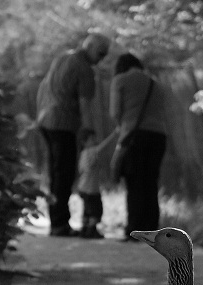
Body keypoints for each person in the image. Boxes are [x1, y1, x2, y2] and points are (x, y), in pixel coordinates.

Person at [36, 33, 110, 237]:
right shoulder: (84, 69)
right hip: (63, 123)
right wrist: (89, 132)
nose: (102, 58)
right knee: (64, 174)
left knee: (55, 173)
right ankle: (60, 224)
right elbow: (85, 105)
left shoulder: (62, 58)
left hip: (46, 120)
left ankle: (57, 221)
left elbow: (44, 87)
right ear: (90, 46)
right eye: (101, 53)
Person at [109, 52, 168, 240]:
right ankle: (152, 229)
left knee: (135, 183)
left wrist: (123, 126)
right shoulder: (155, 83)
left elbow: (115, 112)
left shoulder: (120, 80)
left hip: (135, 136)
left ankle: (135, 229)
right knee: (150, 182)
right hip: (158, 135)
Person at [76, 130, 118, 238]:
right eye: (92, 139)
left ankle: (84, 228)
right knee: (96, 210)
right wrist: (114, 134)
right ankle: (91, 230)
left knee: (87, 209)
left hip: (83, 187)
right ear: (84, 142)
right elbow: (103, 146)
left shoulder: (82, 154)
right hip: (91, 189)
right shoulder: (90, 152)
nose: (95, 141)